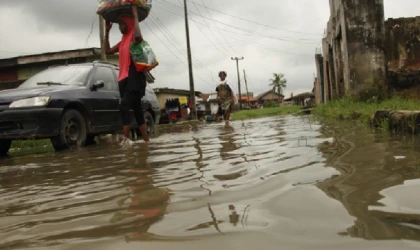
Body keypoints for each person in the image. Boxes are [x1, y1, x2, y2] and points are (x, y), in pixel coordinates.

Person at [104, 6, 149, 144]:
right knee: (137, 110)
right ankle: (147, 142)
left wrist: (135, 16)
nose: (120, 27)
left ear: (129, 24)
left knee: (124, 106)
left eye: (122, 23)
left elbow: (138, 37)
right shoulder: (122, 41)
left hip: (134, 78)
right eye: (119, 24)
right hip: (123, 79)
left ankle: (126, 140)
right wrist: (107, 32)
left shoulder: (133, 38)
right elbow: (107, 51)